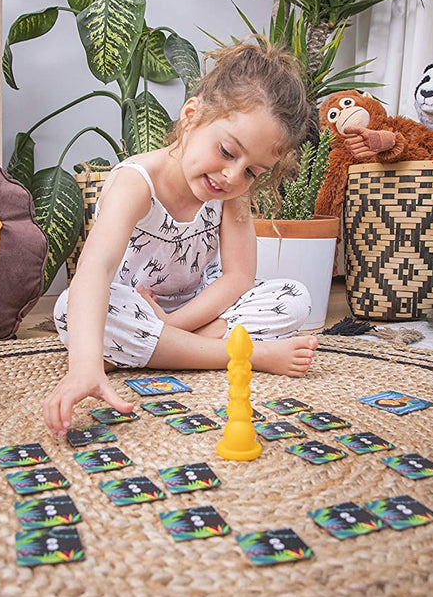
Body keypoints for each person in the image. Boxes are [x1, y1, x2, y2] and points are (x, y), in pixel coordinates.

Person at [43, 41, 320, 434]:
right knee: (72, 309)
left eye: (252, 172)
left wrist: (173, 324)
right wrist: (84, 365)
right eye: (226, 151)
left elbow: (238, 278)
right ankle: (248, 355)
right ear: (192, 116)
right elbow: (97, 268)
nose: (232, 177)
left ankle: (162, 349)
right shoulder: (136, 182)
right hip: (130, 306)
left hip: (193, 311)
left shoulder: (233, 194)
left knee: (293, 298)